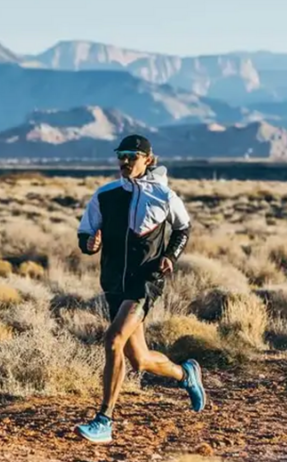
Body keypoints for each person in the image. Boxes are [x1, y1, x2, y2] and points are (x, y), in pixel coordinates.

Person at [74, 134, 205, 444]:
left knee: (113, 339)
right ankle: (185, 374)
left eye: (132, 156)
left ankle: (104, 420)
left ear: (148, 159)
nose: (125, 161)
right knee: (140, 359)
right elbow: (86, 233)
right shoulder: (104, 195)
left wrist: (170, 256)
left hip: (145, 281)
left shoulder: (164, 195)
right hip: (113, 283)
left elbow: (183, 228)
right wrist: (89, 244)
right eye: (121, 155)